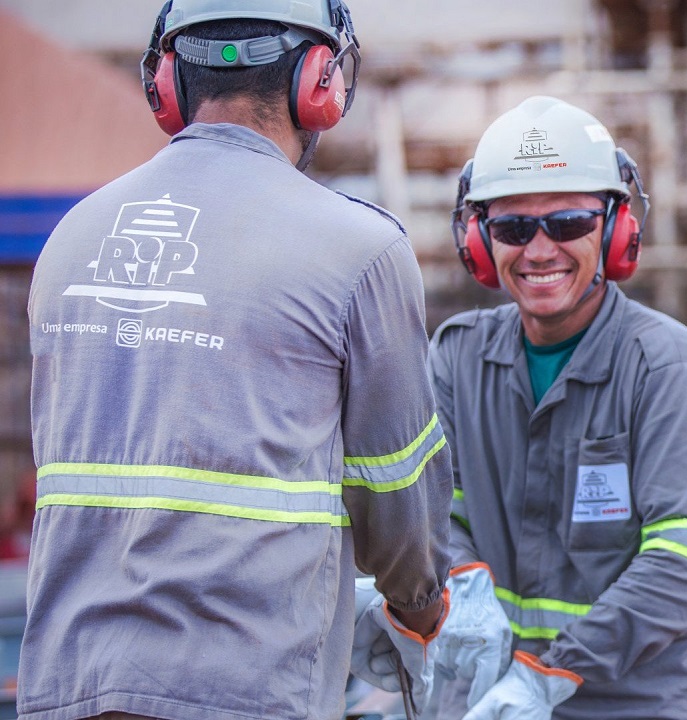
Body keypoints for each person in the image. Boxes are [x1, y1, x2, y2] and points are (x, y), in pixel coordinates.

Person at [21, 1, 453, 718]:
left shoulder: (70, 242)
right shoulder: (358, 249)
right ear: (323, 82)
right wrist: (419, 608)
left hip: (68, 686)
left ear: (165, 83)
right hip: (249, 689)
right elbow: (397, 491)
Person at [428, 95, 687, 720]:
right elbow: (437, 518)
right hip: (492, 697)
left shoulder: (663, 365)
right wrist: (462, 588)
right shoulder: (456, 358)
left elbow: (684, 564)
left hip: (640, 704)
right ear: (479, 241)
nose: (539, 251)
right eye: (513, 228)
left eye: (567, 223)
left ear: (616, 230)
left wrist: (550, 674)